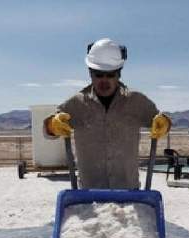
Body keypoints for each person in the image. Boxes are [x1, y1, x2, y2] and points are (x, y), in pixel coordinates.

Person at [43, 38, 171, 189]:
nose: (104, 80)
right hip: (89, 195)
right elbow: (47, 131)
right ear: (90, 73)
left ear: (119, 74)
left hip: (128, 193)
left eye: (110, 75)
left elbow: (161, 121)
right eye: (98, 74)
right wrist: (52, 125)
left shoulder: (137, 101)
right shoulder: (76, 104)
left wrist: (165, 123)